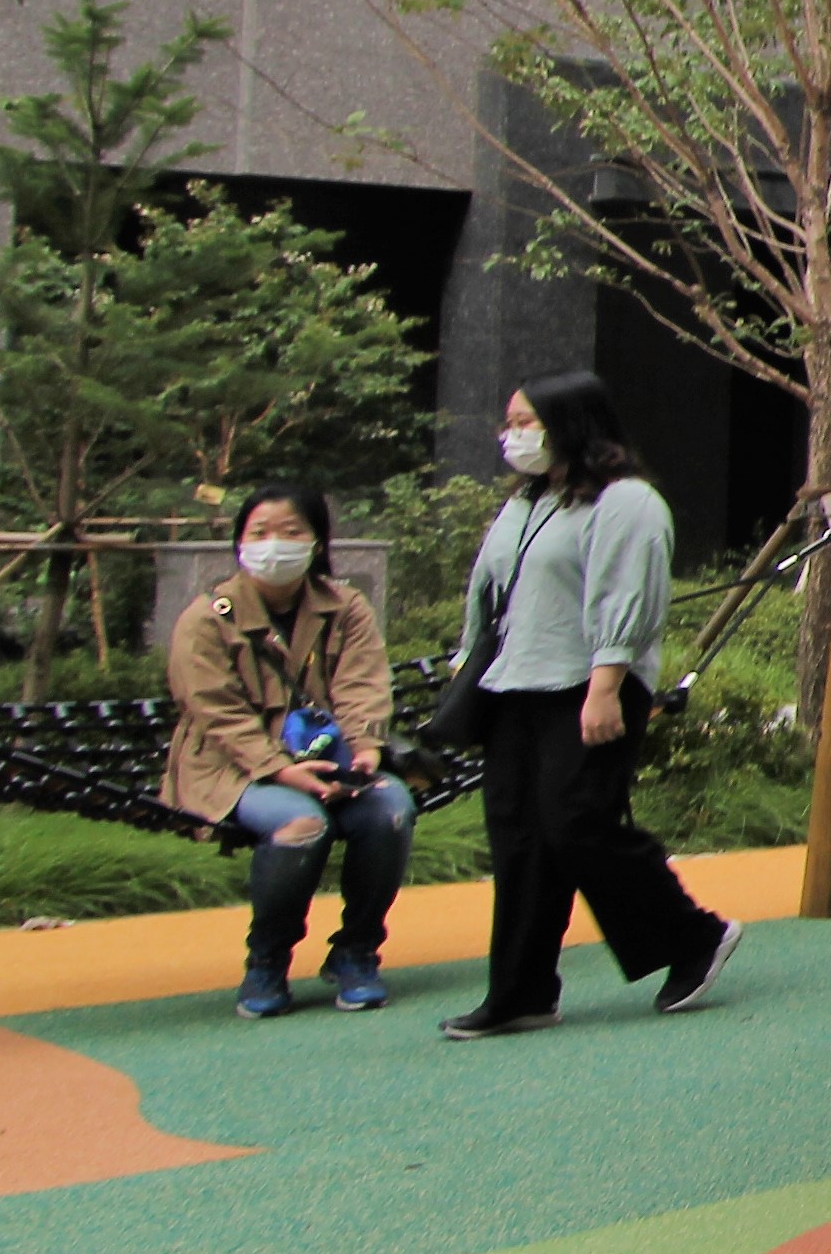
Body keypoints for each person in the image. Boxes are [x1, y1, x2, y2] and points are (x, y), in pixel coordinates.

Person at [442, 373, 738, 1039]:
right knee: (520, 837)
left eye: (526, 422)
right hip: (513, 688)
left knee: (577, 821)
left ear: (569, 423)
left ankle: (693, 935)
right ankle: (519, 991)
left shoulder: (625, 502)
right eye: (509, 423)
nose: (512, 436)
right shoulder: (527, 502)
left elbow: (627, 594)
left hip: (588, 685)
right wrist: (467, 668)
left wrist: (605, 686)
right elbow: (488, 592)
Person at [165, 489, 414, 1018]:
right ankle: (268, 959)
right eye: (259, 532)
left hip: (330, 756)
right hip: (233, 767)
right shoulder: (208, 618)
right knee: (301, 824)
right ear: (239, 543)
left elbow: (362, 683)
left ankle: (357, 950)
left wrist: (365, 750)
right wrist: (280, 769)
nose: (274, 544)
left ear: (317, 542)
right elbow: (214, 710)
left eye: (291, 531)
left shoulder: (345, 607)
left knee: (390, 809)